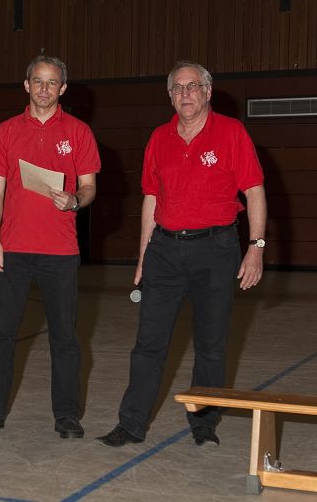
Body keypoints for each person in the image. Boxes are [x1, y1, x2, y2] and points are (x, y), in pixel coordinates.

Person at [97, 61, 266, 447]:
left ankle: (204, 422)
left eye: (192, 87)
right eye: (178, 88)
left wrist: (255, 248)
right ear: (170, 96)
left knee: (211, 343)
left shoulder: (231, 132)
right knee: (148, 343)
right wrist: (143, 256)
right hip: (165, 251)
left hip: (216, 249)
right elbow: (151, 198)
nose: (185, 94)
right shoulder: (159, 138)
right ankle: (131, 424)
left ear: (208, 92)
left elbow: (254, 191)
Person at [0, 55, 101, 438]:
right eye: (37, 81)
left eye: (52, 82)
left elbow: (89, 186)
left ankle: (67, 416)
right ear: (26, 85)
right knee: (2, 334)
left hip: (61, 251)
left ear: (63, 88)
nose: (44, 88)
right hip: (14, 249)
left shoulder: (79, 132)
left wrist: (74, 200)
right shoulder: (6, 131)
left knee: (65, 337)